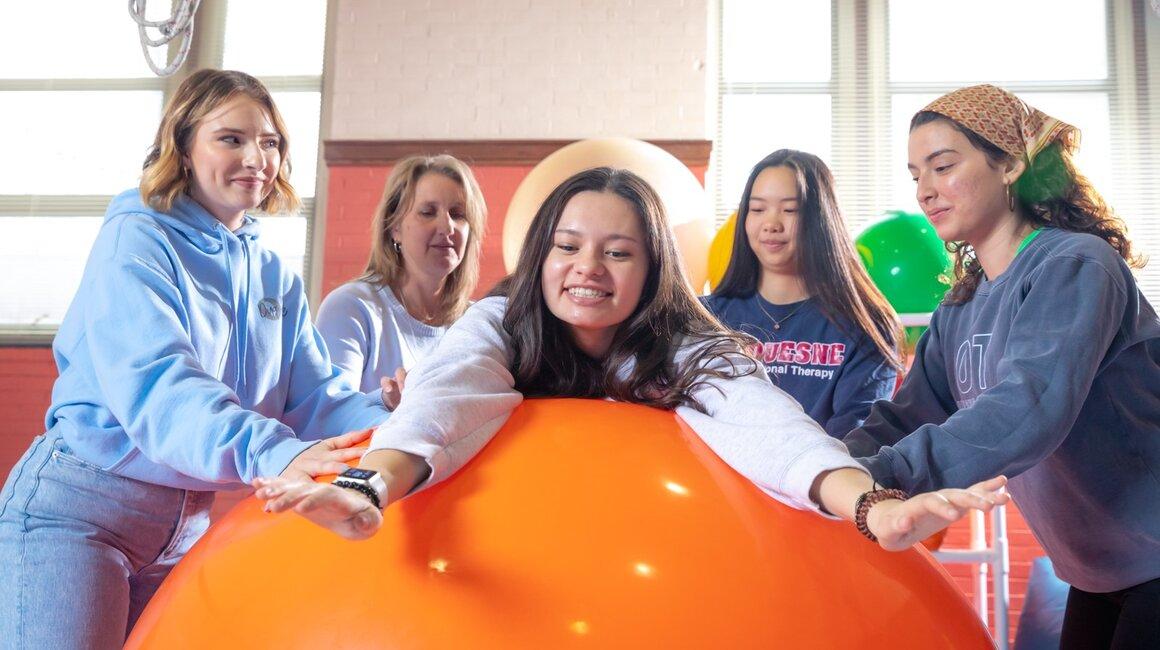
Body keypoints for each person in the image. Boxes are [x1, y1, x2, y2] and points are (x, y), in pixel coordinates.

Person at [254, 167, 1007, 556]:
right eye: (569, 247)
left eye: (619, 252)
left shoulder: (687, 342)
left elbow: (768, 424)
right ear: (539, 252)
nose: (590, 269)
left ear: (653, 271)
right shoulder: (498, 324)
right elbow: (442, 403)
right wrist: (369, 489)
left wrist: (872, 506)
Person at [0, 69, 389, 649]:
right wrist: (274, 451)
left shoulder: (273, 274)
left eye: (270, 141)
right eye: (231, 138)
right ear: (182, 148)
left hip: (184, 532)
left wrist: (399, 414)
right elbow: (163, 389)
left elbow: (316, 401)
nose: (257, 156)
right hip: (76, 515)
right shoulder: (136, 240)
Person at [836, 84, 1160, 648]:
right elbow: (904, 416)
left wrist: (881, 476)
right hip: (1097, 569)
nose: (925, 191)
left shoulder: (1077, 265)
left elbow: (1027, 409)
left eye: (942, 166)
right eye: (916, 175)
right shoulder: (961, 305)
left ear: (1009, 165)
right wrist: (823, 471)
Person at [705, 150, 903, 437]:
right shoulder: (704, 319)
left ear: (822, 220)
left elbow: (852, 443)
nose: (771, 224)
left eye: (790, 210)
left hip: (816, 478)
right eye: (757, 209)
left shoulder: (867, 327)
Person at [315, 155, 486, 408]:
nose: (447, 226)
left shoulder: (477, 322)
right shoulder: (350, 308)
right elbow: (329, 413)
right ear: (394, 227)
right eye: (428, 212)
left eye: (458, 214)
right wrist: (385, 402)